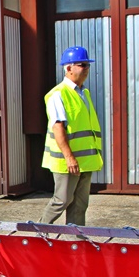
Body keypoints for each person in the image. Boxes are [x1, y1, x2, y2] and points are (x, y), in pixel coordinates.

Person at [39, 46, 103, 225]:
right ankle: (38, 233)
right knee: (62, 200)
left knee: (80, 204)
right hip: (67, 161)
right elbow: (58, 127)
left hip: (84, 161)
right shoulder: (57, 94)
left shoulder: (84, 93)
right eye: (83, 65)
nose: (87, 69)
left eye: (88, 65)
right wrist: (69, 157)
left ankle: (78, 241)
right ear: (69, 68)